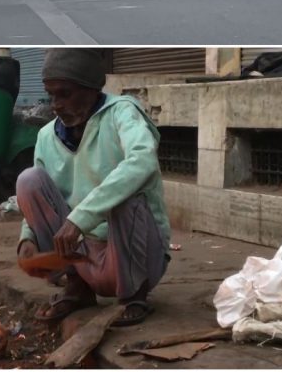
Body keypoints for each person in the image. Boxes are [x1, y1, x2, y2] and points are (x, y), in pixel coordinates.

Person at [16, 49, 171, 328]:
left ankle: (134, 295)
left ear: (90, 89)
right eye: (51, 95)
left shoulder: (122, 111)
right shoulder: (46, 136)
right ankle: (77, 288)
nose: (56, 105)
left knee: (127, 193)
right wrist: (27, 240)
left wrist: (81, 218)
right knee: (28, 180)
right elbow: (39, 200)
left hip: (134, 253)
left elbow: (143, 159)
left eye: (65, 94)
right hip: (83, 257)